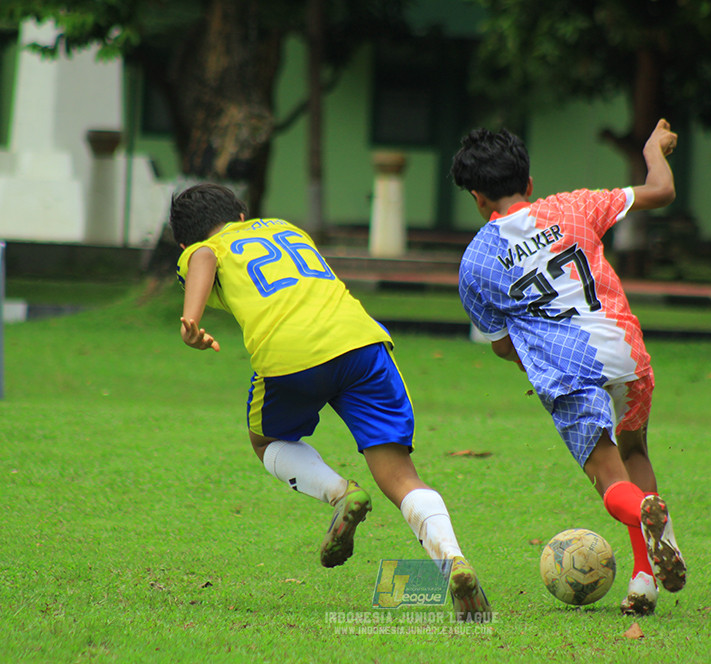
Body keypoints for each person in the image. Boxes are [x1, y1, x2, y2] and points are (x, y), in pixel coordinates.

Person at [169, 183, 489, 620]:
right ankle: (452, 560)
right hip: (362, 342)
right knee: (399, 474)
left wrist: (192, 318)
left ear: (185, 242)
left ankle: (342, 494)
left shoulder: (204, 248)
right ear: (243, 215)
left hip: (291, 355)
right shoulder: (284, 228)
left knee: (266, 442)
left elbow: (204, 257)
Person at [450, 119, 686, 616]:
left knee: (610, 481)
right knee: (635, 447)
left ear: (476, 197)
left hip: (571, 372)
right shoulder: (574, 205)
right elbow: (661, 190)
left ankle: (644, 516)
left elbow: (501, 346)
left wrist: (537, 362)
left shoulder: (476, 263)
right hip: (627, 350)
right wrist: (653, 149)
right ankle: (645, 581)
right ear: (529, 183)